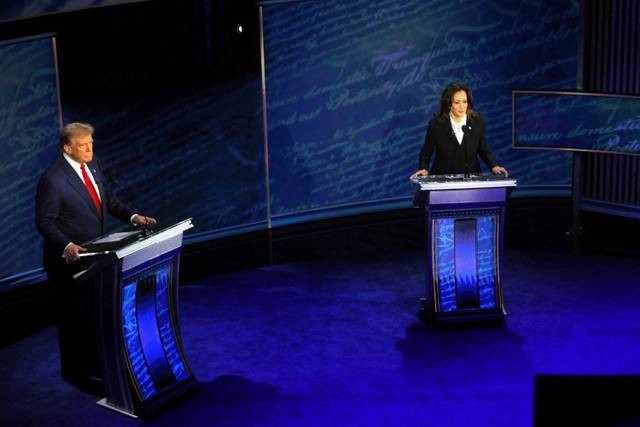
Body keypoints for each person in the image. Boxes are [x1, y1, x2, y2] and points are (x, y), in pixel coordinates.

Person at [35, 122, 156, 393]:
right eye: (83, 145)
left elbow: (107, 201)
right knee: (72, 319)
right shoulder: (52, 179)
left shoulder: (92, 164)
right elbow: (44, 222)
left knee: (91, 314)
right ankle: (74, 373)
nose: (89, 149)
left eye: (91, 143)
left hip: (95, 257)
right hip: (67, 262)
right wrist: (67, 245)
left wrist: (133, 217)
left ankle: (93, 364)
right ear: (68, 148)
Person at [410, 82, 508, 179]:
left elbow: (483, 150)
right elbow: (426, 151)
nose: (462, 106)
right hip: (442, 179)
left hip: (471, 178)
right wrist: (424, 168)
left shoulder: (478, 123)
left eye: (464, 102)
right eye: (457, 102)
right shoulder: (436, 125)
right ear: (449, 104)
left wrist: (493, 166)